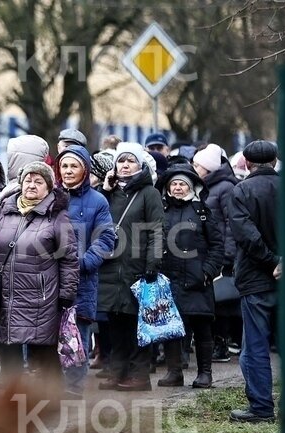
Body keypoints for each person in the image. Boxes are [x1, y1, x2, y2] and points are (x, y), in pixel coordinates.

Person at [0, 160, 78, 385]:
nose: (31, 185)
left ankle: (50, 398)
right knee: (10, 348)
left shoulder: (57, 216)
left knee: (42, 350)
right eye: (28, 180)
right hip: (8, 295)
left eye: (38, 181)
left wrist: (66, 293)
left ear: (49, 187)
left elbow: (69, 259)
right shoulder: (7, 210)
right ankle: (12, 401)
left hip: (41, 297)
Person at [97, 142, 164, 392]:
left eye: (130, 161)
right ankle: (117, 372)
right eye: (120, 161)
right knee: (116, 323)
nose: (124, 165)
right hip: (111, 268)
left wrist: (153, 263)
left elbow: (158, 229)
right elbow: (98, 220)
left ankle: (139, 375)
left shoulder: (149, 193)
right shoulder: (110, 192)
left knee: (139, 324)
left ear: (141, 165)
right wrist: (104, 190)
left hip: (138, 267)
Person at [155, 164, 224, 388]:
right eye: (173, 184)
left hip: (198, 280)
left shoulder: (202, 211)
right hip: (169, 280)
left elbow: (217, 246)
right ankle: (175, 372)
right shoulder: (161, 211)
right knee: (172, 329)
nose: (177, 188)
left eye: (181, 184)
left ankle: (205, 373)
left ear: (190, 187)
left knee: (202, 327)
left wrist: (207, 272)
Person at [55, 146, 116, 397]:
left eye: (74, 166)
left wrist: (83, 263)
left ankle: (74, 387)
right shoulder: (51, 195)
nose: (68, 171)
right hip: (49, 277)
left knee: (77, 333)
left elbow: (106, 240)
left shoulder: (98, 201)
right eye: (64, 166)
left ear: (85, 169)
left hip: (82, 279)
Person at [228, 140, 280, 423]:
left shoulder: (241, 191)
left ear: (246, 164)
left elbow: (247, 236)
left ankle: (261, 408)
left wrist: (272, 262)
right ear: (275, 162)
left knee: (257, 346)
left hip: (255, 279)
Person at [192, 143, 240, 362]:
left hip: (220, 252)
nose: (194, 168)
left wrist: (228, 254)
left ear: (208, 167)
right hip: (206, 251)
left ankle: (221, 343)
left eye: (197, 165)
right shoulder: (203, 186)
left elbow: (231, 224)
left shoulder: (225, 187)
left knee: (221, 301)